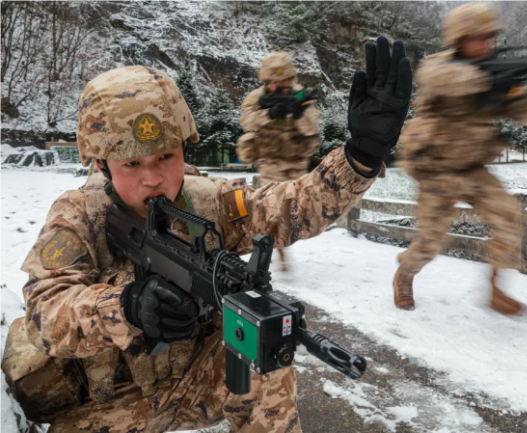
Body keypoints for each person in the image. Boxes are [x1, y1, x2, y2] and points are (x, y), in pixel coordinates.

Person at [2, 35, 412, 433]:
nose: (153, 179)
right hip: (113, 404)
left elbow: (288, 207)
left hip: (196, 381)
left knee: (263, 356)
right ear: (103, 164)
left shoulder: (208, 200)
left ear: (185, 147)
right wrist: (124, 307)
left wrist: (359, 157)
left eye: (167, 156)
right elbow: (43, 314)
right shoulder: (79, 214)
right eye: (131, 164)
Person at [393, 2, 527, 314]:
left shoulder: (496, 72)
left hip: (473, 168)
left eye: (490, 38)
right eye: (478, 38)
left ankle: (496, 289)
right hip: (435, 169)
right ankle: (405, 274)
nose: (487, 44)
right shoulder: (437, 66)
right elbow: (445, 81)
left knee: (510, 217)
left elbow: (524, 113)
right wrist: (496, 80)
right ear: (459, 39)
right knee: (432, 239)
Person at [236, 51, 320, 271]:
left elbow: (312, 127)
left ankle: (276, 245)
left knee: (297, 212)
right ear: (266, 82)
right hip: (271, 163)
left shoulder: (301, 96)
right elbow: (246, 121)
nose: (281, 86)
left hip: (297, 163)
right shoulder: (257, 97)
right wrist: (269, 114)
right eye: (275, 82)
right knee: (270, 212)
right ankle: (270, 250)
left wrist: (299, 113)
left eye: (285, 81)